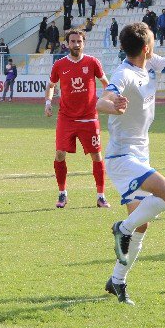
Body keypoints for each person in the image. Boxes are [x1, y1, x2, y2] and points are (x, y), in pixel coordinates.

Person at [102, 24, 165, 305]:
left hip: (140, 154)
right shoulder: (124, 74)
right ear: (146, 47)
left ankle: (117, 281)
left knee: (142, 224)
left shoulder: (151, 62)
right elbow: (101, 101)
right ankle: (122, 229)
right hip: (122, 157)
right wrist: (113, 105)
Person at [45, 29, 111, 209]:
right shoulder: (59, 65)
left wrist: (106, 99)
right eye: (72, 41)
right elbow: (51, 85)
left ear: (84, 43)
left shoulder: (92, 62)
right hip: (66, 118)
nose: (76, 44)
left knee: (96, 156)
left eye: (79, 41)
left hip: (89, 118)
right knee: (59, 154)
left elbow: (106, 84)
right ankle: (62, 193)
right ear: (67, 44)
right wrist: (48, 102)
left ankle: (101, 196)